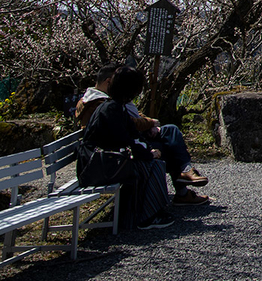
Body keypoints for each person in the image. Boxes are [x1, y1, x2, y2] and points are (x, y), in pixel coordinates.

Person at [77, 63, 209, 205]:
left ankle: (186, 171)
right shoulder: (100, 104)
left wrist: (147, 134)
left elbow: (130, 125)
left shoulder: (114, 104)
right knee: (167, 150)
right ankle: (167, 202)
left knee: (170, 131)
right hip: (102, 162)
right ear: (110, 82)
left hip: (113, 153)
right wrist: (149, 130)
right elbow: (126, 133)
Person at [78, 65, 174, 229]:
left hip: (103, 161)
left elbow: (131, 136)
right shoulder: (111, 109)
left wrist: (148, 150)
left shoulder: (115, 106)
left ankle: (148, 213)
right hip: (95, 166)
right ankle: (146, 217)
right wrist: (149, 154)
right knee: (150, 165)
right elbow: (125, 141)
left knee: (153, 162)